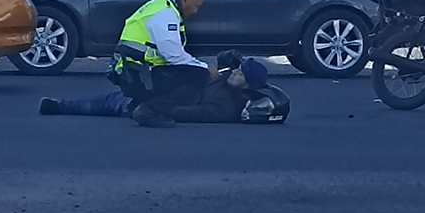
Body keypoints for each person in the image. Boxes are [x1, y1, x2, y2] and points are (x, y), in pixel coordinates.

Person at [111, 0, 217, 128]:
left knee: (187, 70)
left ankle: (137, 106)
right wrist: (206, 67)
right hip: (138, 76)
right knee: (198, 75)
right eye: (196, 6)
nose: (196, 11)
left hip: (133, 72)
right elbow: (173, 55)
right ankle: (149, 111)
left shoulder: (160, 6)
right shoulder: (166, 14)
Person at [39, 58, 270, 126]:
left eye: (240, 75)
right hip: (165, 89)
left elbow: (195, 113)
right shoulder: (225, 78)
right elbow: (225, 60)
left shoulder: (228, 107)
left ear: (247, 86)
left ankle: (60, 106)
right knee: (107, 100)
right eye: (237, 70)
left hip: (161, 102)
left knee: (109, 104)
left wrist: (161, 109)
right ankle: (59, 105)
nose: (234, 73)